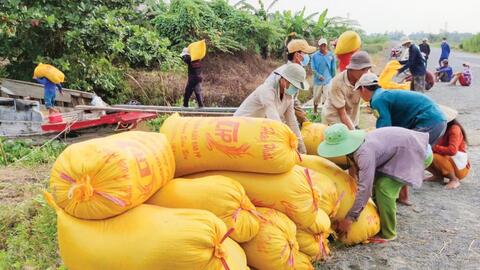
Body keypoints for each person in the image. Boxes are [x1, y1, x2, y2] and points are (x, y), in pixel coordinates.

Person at [318, 123, 432, 241]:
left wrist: (349, 219)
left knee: (384, 188)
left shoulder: (364, 153)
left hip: (419, 152)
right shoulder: (357, 147)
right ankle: (381, 219)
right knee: (376, 185)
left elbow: (365, 189)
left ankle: (388, 233)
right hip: (402, 150)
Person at [355, 72, 447, 205]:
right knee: (404, 156)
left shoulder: (377, 99)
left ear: (363, 88)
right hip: (437, 120)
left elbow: (384, 131)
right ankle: (403, 196)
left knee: (404, 157)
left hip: (429, 121)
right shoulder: (384, 95)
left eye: (358, 90)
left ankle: (390, 195)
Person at [234, 63, 308, 154]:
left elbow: (291, 121)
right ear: (284, 80)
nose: (295, 89)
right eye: (294, 85)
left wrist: (300, 142)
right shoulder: (266, 90)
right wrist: (286, 142)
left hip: (256, 130)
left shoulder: (289, 96)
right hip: (240, 128)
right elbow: (274, 120)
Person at [322, 51, 372, 130]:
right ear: (352, 68)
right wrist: (354, 132)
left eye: (368, 69)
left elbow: (368, 98)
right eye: (363, 69)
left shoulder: (365, 76)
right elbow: (342, 114)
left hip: (351, 118)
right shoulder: (337, 83)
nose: (366, 73)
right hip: (335, 118)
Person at [426, 106, 470, 189]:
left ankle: (454, 179)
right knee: (423, 154)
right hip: (448, 161)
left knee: (433, 156)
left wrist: (434, 147)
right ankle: (438, 176)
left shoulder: (454, 129)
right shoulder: (440, 128)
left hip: (459, 168)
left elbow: (452, 150)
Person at [311, 38, 336, 113]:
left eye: (324, 45)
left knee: (327, 97)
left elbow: (333, 68)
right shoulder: (314, 56)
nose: (323, 47)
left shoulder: (331, 55)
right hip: (317, 80)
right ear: (319, 46)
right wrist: (319, 76)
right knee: (316, 97)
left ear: (326, 45)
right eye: (321, 45)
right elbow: (313, 68)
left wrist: (333, 78)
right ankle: (315, 111)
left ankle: (325, 112)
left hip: (328, 80)